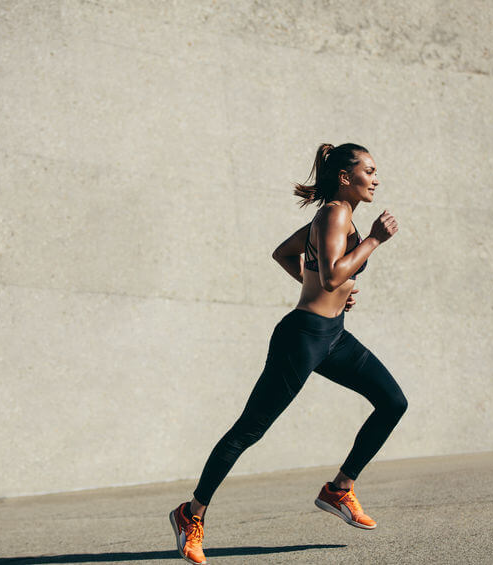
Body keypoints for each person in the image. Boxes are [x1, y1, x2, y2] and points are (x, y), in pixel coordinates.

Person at [169, 143, 408, 564]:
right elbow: (334, 274)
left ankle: (339, 489)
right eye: (368, 171)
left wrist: (320, 288)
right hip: (302, 338)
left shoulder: (339, 216)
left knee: (392, 402)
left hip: (333, 335)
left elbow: (289, 256)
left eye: (375, 172)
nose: (376, 179)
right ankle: (190, 515)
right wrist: (373, 240)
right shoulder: (335, 213)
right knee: (249, 430)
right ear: (344, 177)